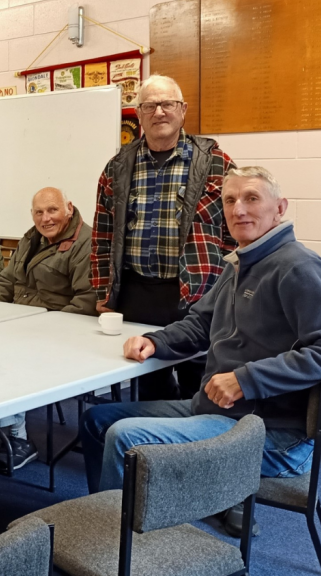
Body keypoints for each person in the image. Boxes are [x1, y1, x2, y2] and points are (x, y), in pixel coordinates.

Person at [81, 167, 321, 536]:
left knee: (125, 436)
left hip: (272, 435)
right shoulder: (240, 263)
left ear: (280, 208)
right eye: (230, 201)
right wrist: (157, 341)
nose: (238, 209)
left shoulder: (297, 267)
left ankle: (110, 545)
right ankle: (123, 525)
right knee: (97, 421)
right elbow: (200, 324)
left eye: (251, 198)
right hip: (218, 410)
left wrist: (247, 380)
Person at [90, 74, 236, 401]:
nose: (159, 112)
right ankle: (157, 432)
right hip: (137, 293)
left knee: (200, 381)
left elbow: (236, 232)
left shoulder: (217, 162)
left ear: (182, 110)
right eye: (150, 106)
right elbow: (102, 233)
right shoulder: (117, 167)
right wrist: (103, 291)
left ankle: (194, 432)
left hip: (198, 293)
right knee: (148, 382)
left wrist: (223, 284)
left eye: (167, 104)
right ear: (138, 114)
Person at [0, 187, 97, 470]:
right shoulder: (30, 238)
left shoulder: (86, 242)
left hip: (59, 330)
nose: (46, 218)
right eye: (39, 212)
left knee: (6, 355)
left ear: (69, 209)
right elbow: (6, 283)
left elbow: (85, 302)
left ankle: (17, 437)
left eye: (53, 210)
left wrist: (42, 328)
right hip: (20, 321)